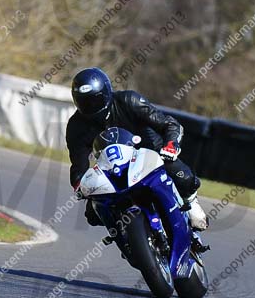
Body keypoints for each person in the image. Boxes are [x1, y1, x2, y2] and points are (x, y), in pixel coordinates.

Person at [66, 67, 209, 233]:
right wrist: (80, 183)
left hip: (151, 156)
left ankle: (190, 202)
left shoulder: (129, 100)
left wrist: (170, 145)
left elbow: (169, 124)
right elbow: (78, 164)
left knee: (185, 178)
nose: (91, 107)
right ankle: (122, 235)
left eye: (95, 100)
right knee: (93, 213)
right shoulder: (76, 126)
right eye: (84, 102)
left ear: (106, 93)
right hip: (113, 169)